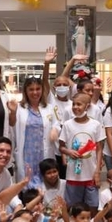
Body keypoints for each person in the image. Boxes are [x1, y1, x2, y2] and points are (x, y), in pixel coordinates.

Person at [59, 93, 105, 214]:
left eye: (79, 104)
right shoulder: (67, 125)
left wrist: (97, 171)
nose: (75, 107)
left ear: (87, 106)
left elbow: (99, 148)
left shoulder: (96, 125)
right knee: (73, 206)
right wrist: (68, 151)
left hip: (91, 173)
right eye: (74, 104)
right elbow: (61, 147)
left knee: (93, 205)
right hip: (73, 174)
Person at [14, 76, 56, 187]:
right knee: (27, 183)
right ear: (25, 91)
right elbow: (12, 128)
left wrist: (55, 130)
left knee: (45, 183)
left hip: (43, 152)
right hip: (27, 154)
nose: (35, 92)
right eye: (31, 89)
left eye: (38, 89)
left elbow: (57, 123)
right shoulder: (19, 108)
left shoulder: (49, 108)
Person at [42, 47, 73, 179]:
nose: (61, 87)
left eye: (64, 84)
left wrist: (73, 60)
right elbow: (44, 83)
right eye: (58, 84)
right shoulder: (51, 100)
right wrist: (47, 64)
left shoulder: (73, 104)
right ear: (54, 87)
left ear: (70, 87)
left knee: (68, 178)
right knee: (54, 178)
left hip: (69, 149)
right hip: (53, 150)